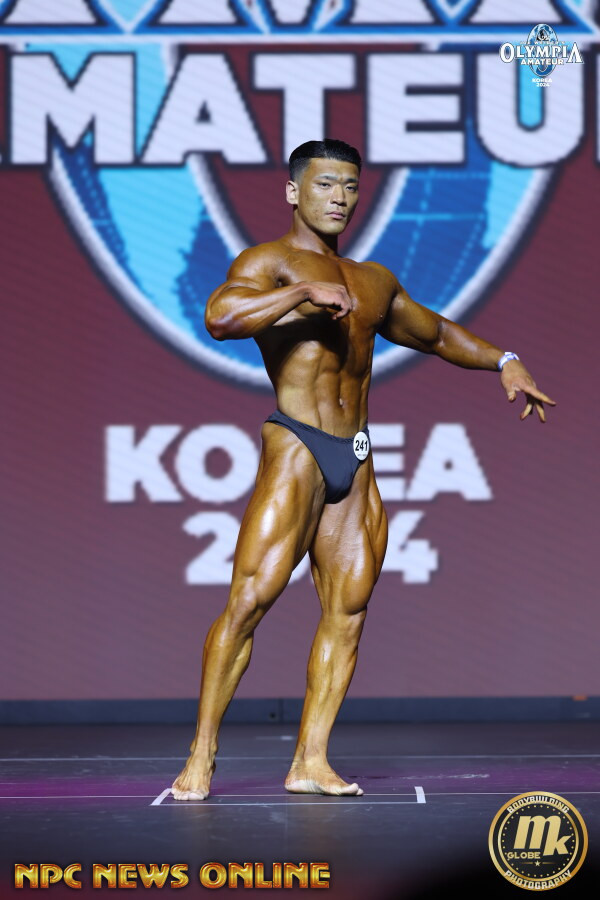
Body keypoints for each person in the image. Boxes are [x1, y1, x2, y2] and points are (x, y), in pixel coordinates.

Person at [171, 139, 555, 800]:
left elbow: (435, 333)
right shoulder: (267, 262)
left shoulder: (372, 279)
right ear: (294, 191)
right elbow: (219, 317)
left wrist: (505, 360)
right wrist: (300, 294)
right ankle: (201, 754)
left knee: (348, 612)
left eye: (349, 186)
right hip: (297, 445)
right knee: (249, 602)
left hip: (355, 455)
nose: (339, 197)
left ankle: (310, 760)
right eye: (324, 184)